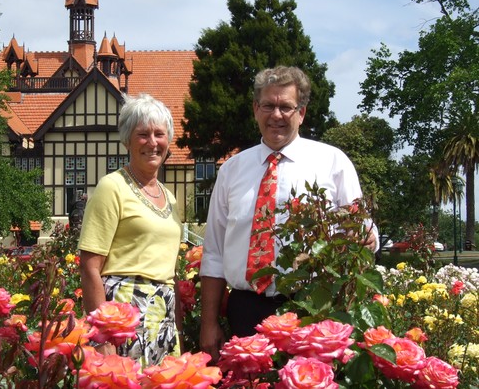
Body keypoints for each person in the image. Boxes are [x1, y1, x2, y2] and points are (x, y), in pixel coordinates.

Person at [199, 66, 378, 362]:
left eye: (286, 106)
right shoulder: (232, 170)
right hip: (245, 311)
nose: (276, 115)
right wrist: (208, 324)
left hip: (310, 308)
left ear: (302, 112)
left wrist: (366, 238)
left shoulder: (332, 162)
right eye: (268, 105)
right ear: (256, 109)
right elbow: (214, 252)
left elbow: (362, 233)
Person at [78, 93, 184, 368]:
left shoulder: (170, 198)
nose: (152, 143)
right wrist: (102, 336)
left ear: (168, 141)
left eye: (159, 134)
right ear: (127, 140)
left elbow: (169, 270)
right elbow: (90, 266)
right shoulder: (112, 187)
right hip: (123, 315)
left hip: (162, 316)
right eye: (143, 134)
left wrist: (176, 329)